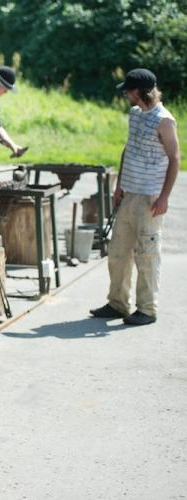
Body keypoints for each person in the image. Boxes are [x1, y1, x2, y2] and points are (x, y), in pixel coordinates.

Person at [90, 68, 180, 325]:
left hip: (150, 198)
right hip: (129, 193)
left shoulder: (165, 120)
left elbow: (175, 158)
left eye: (129, 90)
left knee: (147, 255)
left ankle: (147, 309)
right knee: (118, 252)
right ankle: (118, 303)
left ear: (141, 92)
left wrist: (164, 197)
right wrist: (120, 185)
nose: (126, 94)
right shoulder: (135, 114)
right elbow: (128, 148)